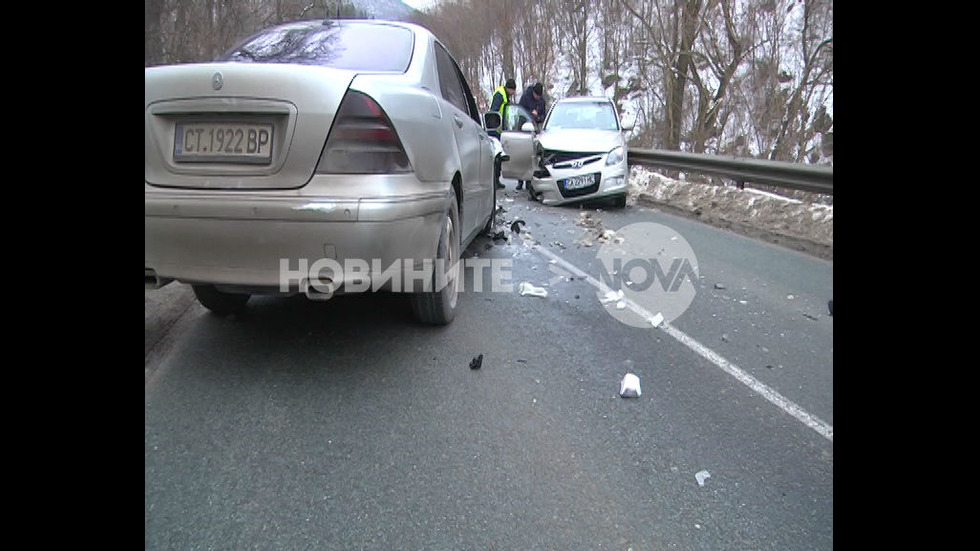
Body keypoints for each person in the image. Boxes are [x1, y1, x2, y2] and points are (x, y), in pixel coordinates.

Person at [516, 82, 546, 190]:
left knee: (531, 157)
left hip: (534, 129)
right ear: (533, 92)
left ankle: (529, 181)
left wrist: (538, 117)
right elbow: (520, 111)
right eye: (536, 96)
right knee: (521, 156)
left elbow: (543, 115)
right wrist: (530, 114)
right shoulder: (525, 97)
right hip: (523, 128)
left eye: (539, 96)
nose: (537, 98)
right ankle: (520, 181)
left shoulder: (541, 101)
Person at [489, 78, 517, 189]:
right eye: (513, 91)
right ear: (510, 89)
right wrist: (494, 128)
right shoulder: (500, 95)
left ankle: (497, 179)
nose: (514, 93)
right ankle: (494, 180)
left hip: (500, 129)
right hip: (495, 129)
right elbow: (494, 112)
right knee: (496, 156)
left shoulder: (505, 95)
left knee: (499, 157)